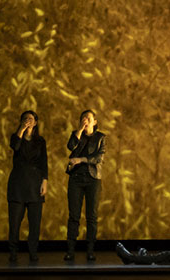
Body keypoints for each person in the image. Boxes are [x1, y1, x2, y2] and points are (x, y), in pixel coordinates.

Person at [64, 109, 105, 261]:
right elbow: (70, 146)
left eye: (88, 118)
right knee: (74, 215)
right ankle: (70, 251)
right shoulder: (77, 135)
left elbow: (98, 158)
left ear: (95, 122)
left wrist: (81, 160)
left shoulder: (101, 137)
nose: (85, 120)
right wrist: (80, 131)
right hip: (76, 178)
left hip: (93, 179)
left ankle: (90, 251)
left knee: (91, 216)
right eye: (83, 118)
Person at [7, 110, 47, 263]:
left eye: (31, 119)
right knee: (15, 222)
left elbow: (44, 162)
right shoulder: (16, 137)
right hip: (17, 184)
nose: (28, 120)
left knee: (35, 222)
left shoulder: (40, 141)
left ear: (36, 122)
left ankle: (33, 252)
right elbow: (15, 146)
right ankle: (13, 252)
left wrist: (45, 182)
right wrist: (22, 130)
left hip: (35, 184)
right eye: (25, 118)